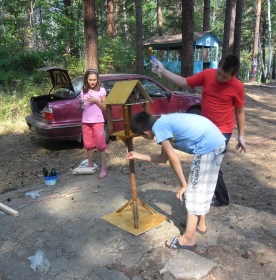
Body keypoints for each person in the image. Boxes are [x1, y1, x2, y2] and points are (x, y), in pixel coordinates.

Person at [150, 54, 246, 207]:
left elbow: (239, 111)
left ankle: (210, 200)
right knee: (208, 163)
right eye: (219, 73)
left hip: (222, 130)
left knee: (208, 163)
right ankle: (214, 198)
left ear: (233, 75)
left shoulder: (237, 87)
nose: (220, 78)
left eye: (225, 76)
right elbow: (183, 81)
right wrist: (162, 70)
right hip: (203, 128)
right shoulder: (208, 74)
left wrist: (241, 135)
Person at [127, 111, 226, 250]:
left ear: (146, 132)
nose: (143, 138)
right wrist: (138, 155)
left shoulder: (159, 128)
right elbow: (163, 158)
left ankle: (188, 238)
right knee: (201, 189)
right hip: (215, 143)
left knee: (193, 192)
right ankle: (200, 224)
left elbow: (174, 159)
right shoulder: (162, 124)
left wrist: (183, 185)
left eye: (140, 136)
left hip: (208, 147)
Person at [80, 69, 107, 179]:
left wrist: (96, 101)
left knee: (100, 145)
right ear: (86, 80)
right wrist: (80, 104)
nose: (92, 82)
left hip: (98, 121)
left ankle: (103, 168)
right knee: (89, 146)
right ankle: (90, 166)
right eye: (90, 80)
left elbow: (105, 108)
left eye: (94, 80)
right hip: (86, 121)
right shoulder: (83, 90)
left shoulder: (101, 90)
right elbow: (81, 107)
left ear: (97, 79)